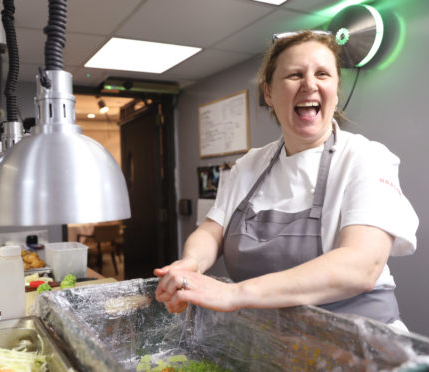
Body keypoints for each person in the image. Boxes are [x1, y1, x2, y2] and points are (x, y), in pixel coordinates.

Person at [154, 31, 418, 330]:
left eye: (322, 74)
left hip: (361, 346)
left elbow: (361, 266)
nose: (310, 84)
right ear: (269, 93)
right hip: (274, 343)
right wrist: (191, 263)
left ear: (336, 89)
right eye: (295, 74)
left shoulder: (366, 158)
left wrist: (235, 294)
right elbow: (211, 231)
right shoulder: (248, 165)